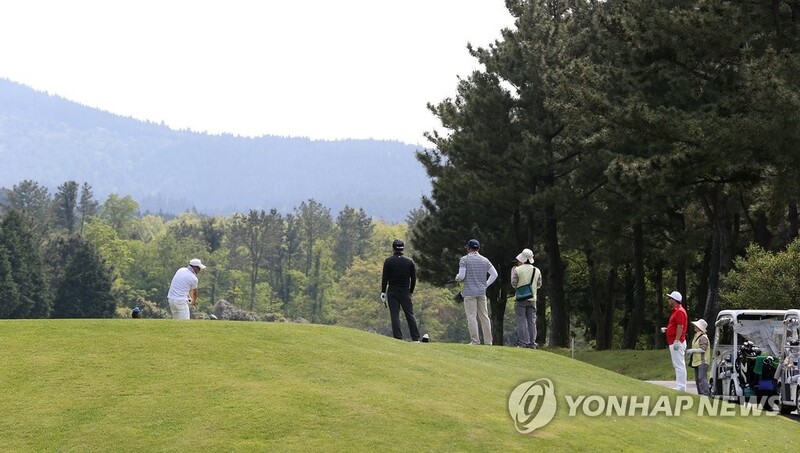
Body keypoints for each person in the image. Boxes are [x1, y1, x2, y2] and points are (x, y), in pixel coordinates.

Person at [455, 239, 498, 345]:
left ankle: (475, 341)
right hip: (481, 292)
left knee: (471, 316)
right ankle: (488, 341)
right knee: (484, 316)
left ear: (469, 248)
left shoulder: (464, 260)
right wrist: (485, 285)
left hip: (469, 292)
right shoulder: (485, 260)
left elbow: (461, 276)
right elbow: (494, 274)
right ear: (478, 248)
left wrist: (456, 278)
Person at [380, 239, 420, 342]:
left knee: (394, 315)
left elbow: (385, 278)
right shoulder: (409, 261)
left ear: (393, 248)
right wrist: (411, 291)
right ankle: (415, 338)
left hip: (392, 291)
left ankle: (398, 338)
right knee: (410, 314)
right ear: (403, 248)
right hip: (405, 291)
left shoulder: (388, 261)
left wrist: (383, 291)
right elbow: (413, 278)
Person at [511, 248, 542, 349]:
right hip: (532, 298)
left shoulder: (517, 269)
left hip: (520, 298)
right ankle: (532, 343)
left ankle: (523, 342)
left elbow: (513, 283)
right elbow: (539, 284)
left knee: (521, 320)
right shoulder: (537, 270)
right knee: (532, 321)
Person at [663, 290, 688, 391]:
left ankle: (681, 386)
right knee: (677, 364)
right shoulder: (676, 311)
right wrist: (668, 329)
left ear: (675, 300)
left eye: (670, 298)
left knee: (679, 364)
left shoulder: (680, 311)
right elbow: (676, 326)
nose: (669, 300)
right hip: (674, 340)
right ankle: (680, 385)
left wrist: (677, 340)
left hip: (677, 342)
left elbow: (680, 327)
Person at [685, 318, 711, 396]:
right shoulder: (697, 336)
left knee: (701, 378)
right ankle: (701, 394)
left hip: (703, 361)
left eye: (696, 326)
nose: (694, 327)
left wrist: (692, 350)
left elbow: (703, 349)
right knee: (698, 379)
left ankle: (706, 394)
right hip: (697, 361)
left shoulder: (703, 337)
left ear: (700, 328)